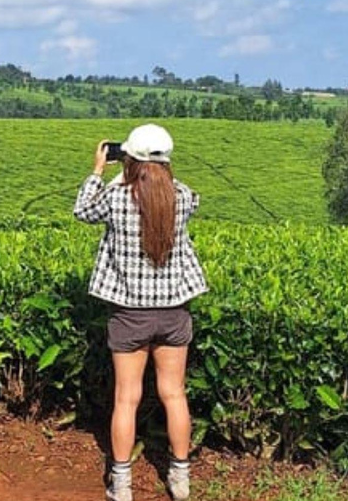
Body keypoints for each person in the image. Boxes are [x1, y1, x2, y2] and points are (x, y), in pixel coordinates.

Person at [73, 123, 208, 501]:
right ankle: (180, 480)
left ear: (128, 158)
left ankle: (122, 485)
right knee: (174, 395)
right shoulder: (183, 197)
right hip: (174, 312)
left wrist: (100, 170)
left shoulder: (116, 197)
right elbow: (173, 189)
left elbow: (83, 210)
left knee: (126, 398)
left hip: (130, 313)